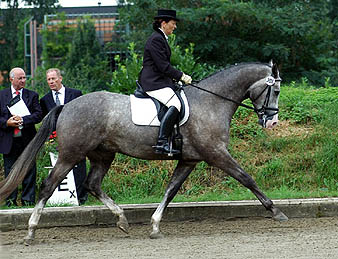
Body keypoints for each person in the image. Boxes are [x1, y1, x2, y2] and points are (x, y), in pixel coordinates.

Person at [139, 9, 192, 155]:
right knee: (176, 104)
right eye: (173, 24)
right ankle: (161, 142)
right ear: (163, 23)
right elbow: (163, 66)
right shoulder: (156, 39)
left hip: (160, 80)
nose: (175, 27)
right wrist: (181, 76)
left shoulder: (160, 38)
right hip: (153, 82)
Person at [40, 68, 88, 205]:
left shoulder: (75, 94)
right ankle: (62, 197)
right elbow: (46, 121)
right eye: (48, 79)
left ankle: (81, 196)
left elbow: (84, 115)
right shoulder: (45, 100)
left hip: (77, 137)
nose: (51, 82)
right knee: (60, 167)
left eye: (53, 79)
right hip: (56, 139)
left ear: (60, 78)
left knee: (79, 165)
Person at [0, 67, 43, 207]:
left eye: (24, 77)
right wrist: (7, 122)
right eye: (20, 78)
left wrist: (24, 120)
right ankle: (10, 201)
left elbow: (38, 115)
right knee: (10, 173)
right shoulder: (2, 95)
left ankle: (28, 201)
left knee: (29, 171)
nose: (23, 80)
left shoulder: (32, 95)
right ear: (11, 79)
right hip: (9, 141)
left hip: (27, 140)